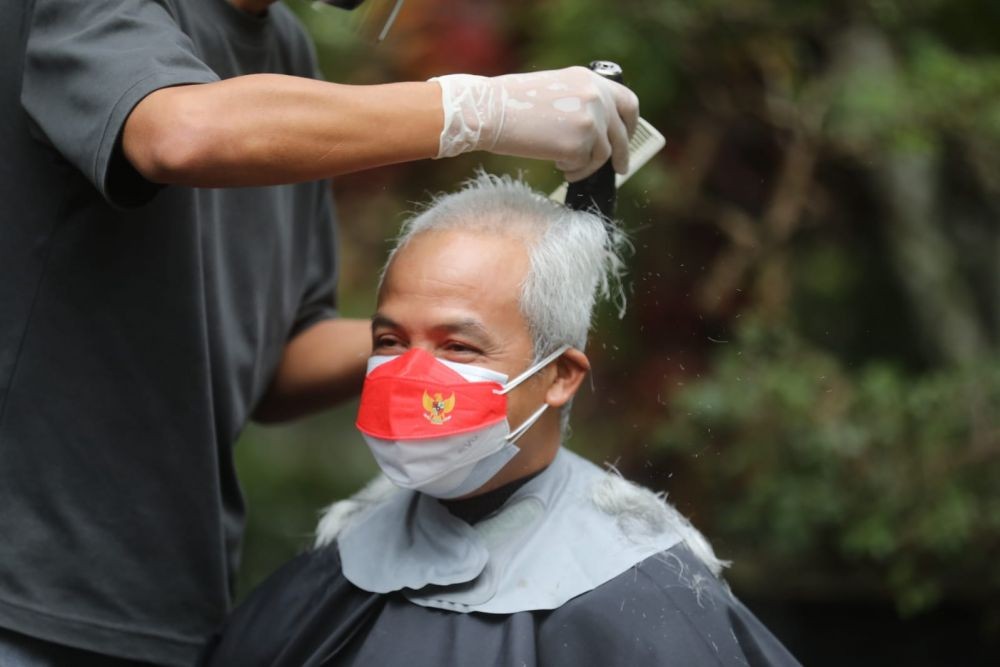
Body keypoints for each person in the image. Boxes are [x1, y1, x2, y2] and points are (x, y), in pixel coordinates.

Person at [0, 1, 640, 664]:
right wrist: (475, 108)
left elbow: (275, 364)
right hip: (24, 592)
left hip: (170, 599)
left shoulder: (285, 52)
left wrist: (436, 344)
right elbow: (179, 132)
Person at [202, 172, 802, 666]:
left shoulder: (637, 596)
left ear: (560, 376)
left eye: (458, 347)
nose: (411, 375)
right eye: (389, 339)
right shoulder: (339, 567)